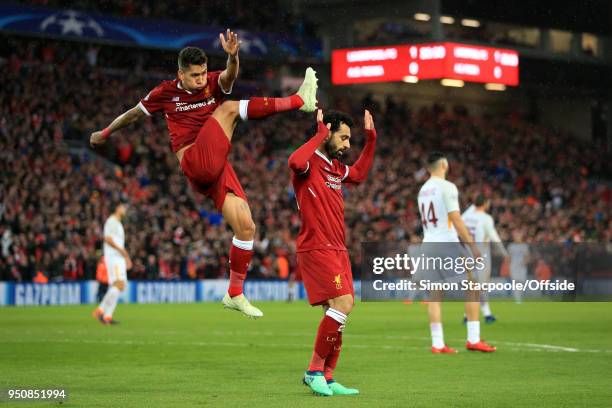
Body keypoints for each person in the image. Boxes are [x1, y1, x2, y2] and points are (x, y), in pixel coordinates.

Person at [90, 30, 318, 318]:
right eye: (194, 75)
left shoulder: (212, 83)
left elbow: (229, 77)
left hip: (216, 165)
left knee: (246, 226)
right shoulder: (164, 93)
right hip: (195, 160)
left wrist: (233, 56)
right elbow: (134, 113)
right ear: (180, 74)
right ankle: (300, 101)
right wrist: (106, 132)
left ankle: (235, 293)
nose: (200, 79)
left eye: (203, 73)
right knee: (228, 110)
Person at [289, 109, 377, 396]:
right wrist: (317, 136)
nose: (347, 145)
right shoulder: (309, 163)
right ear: (327, 133)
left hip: (338, 247)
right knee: (343, 304)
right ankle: (313, 371)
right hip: (317, 246)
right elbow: (294, 160)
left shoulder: (336, 169)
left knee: (338, 310)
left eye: (350, 139)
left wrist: (371, 139)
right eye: (343, 137)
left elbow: (361, 174)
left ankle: (327, 377)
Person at [416, 152, 496, 353]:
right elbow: (456, 219)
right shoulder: (447, 187)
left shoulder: (423, 190)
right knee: (473, 285)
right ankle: (473, 338)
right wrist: (472, 245)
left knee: (435, 294)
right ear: (444, 164)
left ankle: (437, 343)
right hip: (447, 244)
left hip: (428, 244)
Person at [462, 194, 510, 323]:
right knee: (480, 287)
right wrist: (504, 253)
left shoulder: (466, 217)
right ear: (485, 203)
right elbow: (494, 237)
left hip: (467, 253)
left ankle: (471, 315)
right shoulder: (485, 218)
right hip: (481, 255)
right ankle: (482, 316)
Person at [93, 202, 130, 325]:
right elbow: (108, 239)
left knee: (120, 285)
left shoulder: (118, 223)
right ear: (117, 208)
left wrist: (125, 256)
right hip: (113, 256)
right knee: (118, 283)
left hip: (118, 257)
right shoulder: (111, 221)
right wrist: (122, 251)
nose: (125, 209)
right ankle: (101, 309)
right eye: (123, 207)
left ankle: (107, 315)